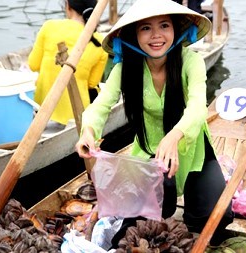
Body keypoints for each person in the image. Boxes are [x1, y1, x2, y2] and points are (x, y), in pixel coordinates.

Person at [75, 0, 233, 246]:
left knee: (216, 217)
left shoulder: (191, 61)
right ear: (134, 34)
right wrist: (88, 132)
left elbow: (197, 106)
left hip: (193, 151)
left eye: (164, 26)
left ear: (175, 30)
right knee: (131, 232)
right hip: (149, 155)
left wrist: (174, 135)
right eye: (145, 28)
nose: (156, 35)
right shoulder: (126, 67)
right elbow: (101, 105)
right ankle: (164, 200)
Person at [28, 0, 108, 126]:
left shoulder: (49, 27)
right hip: (76, 114)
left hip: (41, 108)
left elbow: (33, 65)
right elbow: (92, 83)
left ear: (68, 6)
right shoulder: (100, 42)